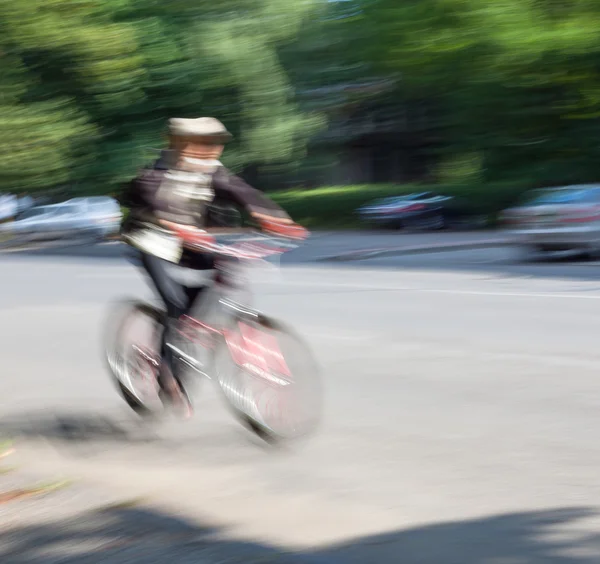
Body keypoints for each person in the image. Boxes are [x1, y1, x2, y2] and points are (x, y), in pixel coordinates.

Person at [121, 117, 297, 416]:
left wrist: (276, 219)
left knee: (217, 285)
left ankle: (191, 338)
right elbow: (157, 204)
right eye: (204, 142)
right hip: (153, 242)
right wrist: (175, 225)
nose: (213, 148)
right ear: (181, 144)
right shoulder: (153, 174)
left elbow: (243, 193)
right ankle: (168, 376)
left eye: (216, 142)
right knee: (176, 306)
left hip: (192, 243)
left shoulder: (213, 171)